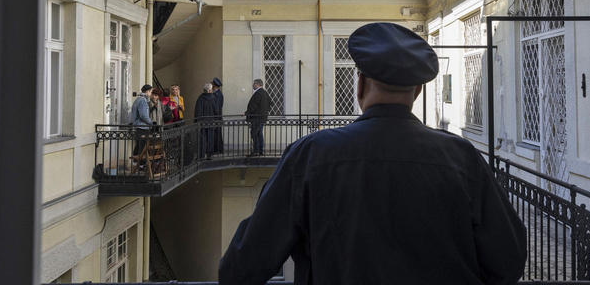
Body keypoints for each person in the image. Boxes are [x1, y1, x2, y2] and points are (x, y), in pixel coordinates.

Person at [219, 22, 527, 285]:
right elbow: (508, 260)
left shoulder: (310, 156)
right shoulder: (460, 157)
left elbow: (241, 269)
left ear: (360, 84)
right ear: (417, 91)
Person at [129, 84, 154, 169]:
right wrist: (151, 123)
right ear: (147, 91)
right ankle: (140, 164)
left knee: (139, 145)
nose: (151, 94)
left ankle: (136, 163)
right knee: (142, 146)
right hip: (142, 126)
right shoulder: (143, 100)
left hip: (138, 126)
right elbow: (143, 115)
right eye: (150, 92)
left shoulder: (138, 99)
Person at [244, 79, 270, 156]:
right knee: (259, 134)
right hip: (262, 118)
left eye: (254, 84)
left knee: (254, 134)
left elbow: (253, 106)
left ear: (257, 84)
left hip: (256, 118)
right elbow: (270, 103)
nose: (252, 85)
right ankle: (260, 151)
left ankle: (256, 151)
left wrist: (247, 113)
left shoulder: (258, 93)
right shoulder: (265, 93)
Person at [194, 83, 218, 160]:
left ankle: (201, 155)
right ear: (210, 90)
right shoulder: (214, 98)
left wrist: (196, 121)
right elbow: (216, 110)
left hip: (202, 122)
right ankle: (209, 155)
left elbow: (198, 111)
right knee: (210, 138)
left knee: (202, 139)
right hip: (211, 122)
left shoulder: (200, 98)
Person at [212, 77, 224, 154]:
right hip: (217, 117)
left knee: (217, 134)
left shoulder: (218, 95)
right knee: (216, 134)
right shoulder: (217, 94)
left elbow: (217, 107)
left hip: (216, 117)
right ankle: (217, 149)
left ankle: (218, 150)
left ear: (215, 86)